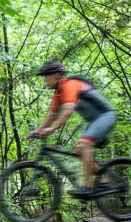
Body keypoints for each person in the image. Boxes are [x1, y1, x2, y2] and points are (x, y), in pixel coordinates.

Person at [32, 61, 117, 197]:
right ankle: (103, 181)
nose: (44, 79)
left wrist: (52, 129)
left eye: (46, 76)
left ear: (56, 75)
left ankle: (87, 187)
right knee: (79, 151)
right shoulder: (58, 93)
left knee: (83, 146)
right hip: (95, 121)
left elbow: (68, 111)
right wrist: (37, 130)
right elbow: (52, 115)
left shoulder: (69, 84)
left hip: (106, 116)